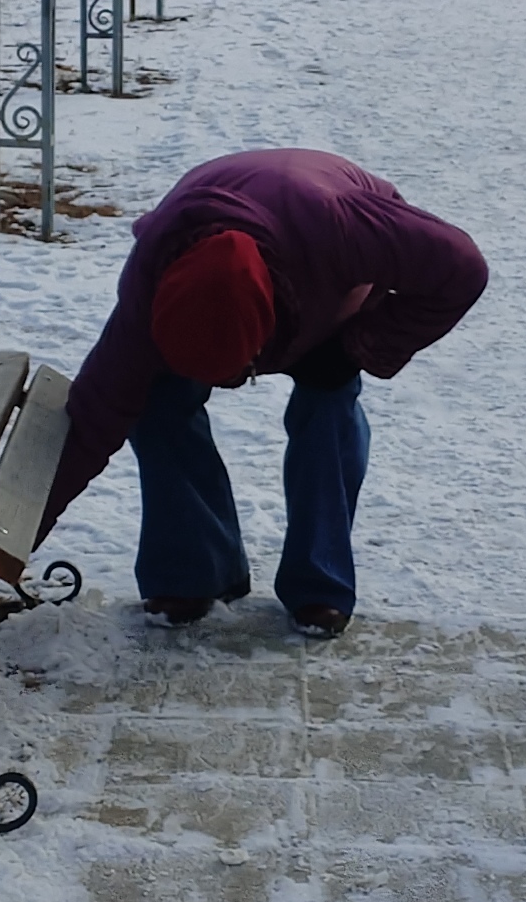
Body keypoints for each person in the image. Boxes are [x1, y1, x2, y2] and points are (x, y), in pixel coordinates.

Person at [35, 150, 488, 638]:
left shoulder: (339, 227)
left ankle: (320, 584)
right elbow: (91, 422)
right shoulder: (150, 289)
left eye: (236, 374)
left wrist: (363, 344)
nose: (231, 388)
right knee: (154, 400)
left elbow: (462, 268)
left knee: (327, 405)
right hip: (252, 254)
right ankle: (194, 573)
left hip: (328, 270)